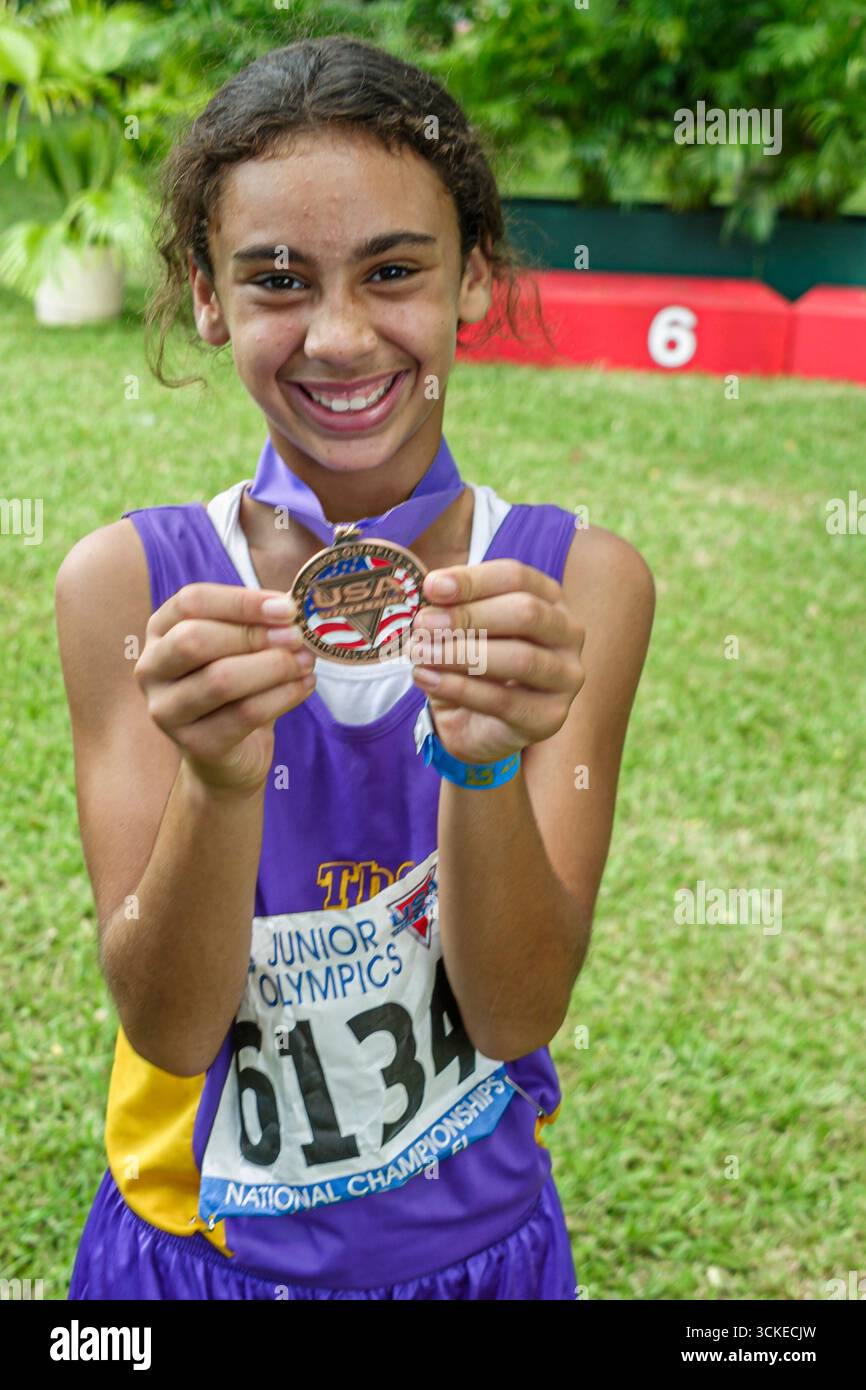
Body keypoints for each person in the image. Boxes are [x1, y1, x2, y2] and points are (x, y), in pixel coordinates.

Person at [55, 34, 655, 1301]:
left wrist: (483, 769)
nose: (338, 337)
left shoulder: (572, 587)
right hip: (193, 1263)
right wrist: (219, 787)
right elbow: (164, 1027)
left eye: (392, 272)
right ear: (206, 296)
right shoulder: (131, 588)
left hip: (473, 1254)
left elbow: (516, 1013)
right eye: (277, 279)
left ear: (471, 282)